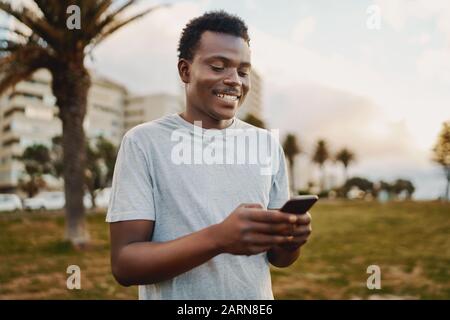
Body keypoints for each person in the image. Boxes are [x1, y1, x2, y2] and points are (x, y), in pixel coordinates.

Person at [106, 10, 312, 300]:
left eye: (243, 71)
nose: (234, 81)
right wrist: (218, 239)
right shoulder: (143, 143)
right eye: (218, 66)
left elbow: (278, 259)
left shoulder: (266, 145)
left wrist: (291, 241)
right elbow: (125, 265)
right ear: (185, 71)